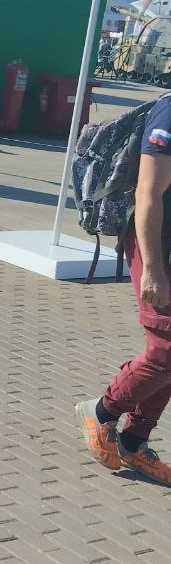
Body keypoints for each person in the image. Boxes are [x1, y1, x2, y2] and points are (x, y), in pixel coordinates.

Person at [78, 96, 171, 484]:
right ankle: (101, 412)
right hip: (158, 247)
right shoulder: (169, 114)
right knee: (165, 349)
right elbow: (148, 193)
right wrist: (153, 269)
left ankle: (134, 441)